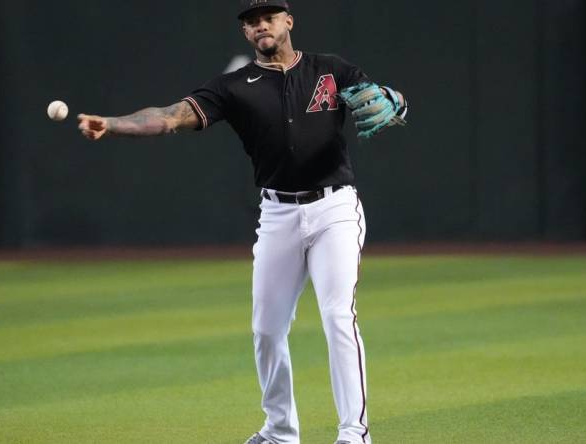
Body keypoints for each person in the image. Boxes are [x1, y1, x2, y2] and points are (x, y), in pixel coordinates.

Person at [78, 1, 408, 443]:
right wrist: (114, 124)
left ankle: (354, 433)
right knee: (266, 329)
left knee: (336, 316)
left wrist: (397, 102)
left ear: (288, 22)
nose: (260, 25)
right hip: (277, 213)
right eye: (251, 21)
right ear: (245, 33)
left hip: (334, 209)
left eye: (268, 17)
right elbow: (170, 116)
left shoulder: (331, 70)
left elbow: (385, 100)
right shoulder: (234, 87)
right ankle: (279, 431)